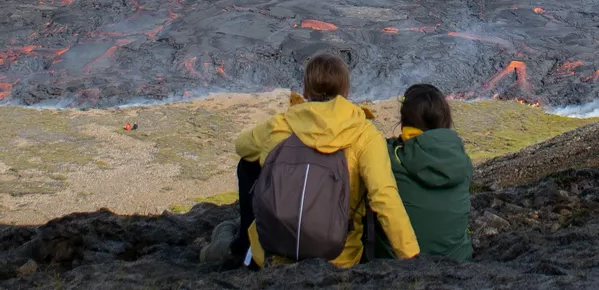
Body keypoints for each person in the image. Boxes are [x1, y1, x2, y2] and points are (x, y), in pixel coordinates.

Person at [202, 54, 419, 268]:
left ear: (305, 91)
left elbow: (242, 146)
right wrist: (413, 260)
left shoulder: (282, 124)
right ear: (345, 91)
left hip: (272, 252)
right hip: (338, 258)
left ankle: (243, 244)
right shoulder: (364, 134)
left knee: (248, 163)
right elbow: (384, 196)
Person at [374, 84, 473, 261]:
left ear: (405, 121)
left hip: (397, 264)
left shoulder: (388, 157)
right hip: (458, 261)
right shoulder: (462, 160)